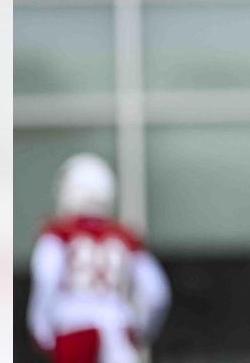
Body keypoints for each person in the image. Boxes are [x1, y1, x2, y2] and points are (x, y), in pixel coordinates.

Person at [26, 153, 171, 363]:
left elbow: (47, 279)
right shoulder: (126, 237)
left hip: (72, 330)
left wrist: (41, 329)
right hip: (117, 331)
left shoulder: (58, 235)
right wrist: (141, 328)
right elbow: (156, 293)